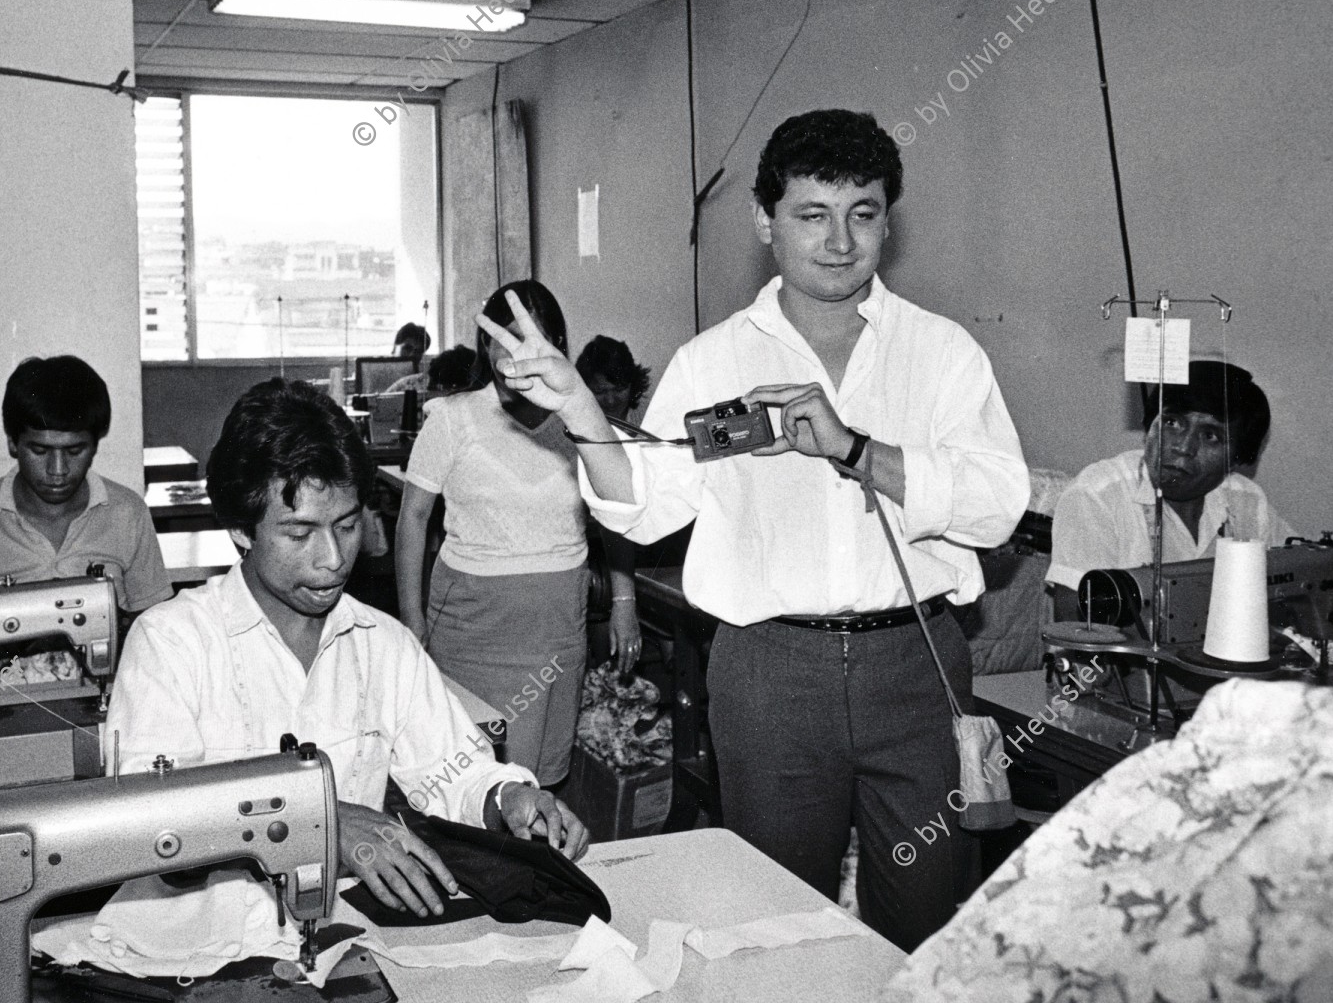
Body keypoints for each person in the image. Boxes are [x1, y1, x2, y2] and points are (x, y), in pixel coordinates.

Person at [480, 109, 1029, 951]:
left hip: (918, 668)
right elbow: (646, 502)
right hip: (772, 673)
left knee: (927, 921)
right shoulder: (714, 361)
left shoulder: (944, 353)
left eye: (865, 214)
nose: (841, 241)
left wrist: (853, 447)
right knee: (776, 922)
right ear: (766, 221)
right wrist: (581, 410)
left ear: (889, 220)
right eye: (814, 215)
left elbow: (997, 505)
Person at [102, 378, 584, 964]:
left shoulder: (383, 644)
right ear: (239, 528)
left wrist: (505, 797)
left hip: (335, 945)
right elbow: (152, 828)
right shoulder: (170, 643)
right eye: (300, 533)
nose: (332, 559)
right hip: (181, 954)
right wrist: (317, 818)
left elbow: (451, 770)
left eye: (348, 525)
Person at [394, 281, 591, 788]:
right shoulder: (453, 419)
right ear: (485, 345)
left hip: (558, 624)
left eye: (531, 342)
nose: (514, 356)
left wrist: (629, 603)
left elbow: (614, 509)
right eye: (502, 340)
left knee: (544, 777)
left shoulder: (578, 417)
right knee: (477, 778)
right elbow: (413, 518)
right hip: (476, 629)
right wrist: (412, 618)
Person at [0, 355, 171, 612]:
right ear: (13, 443)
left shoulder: (127, 513)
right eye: (39, 451)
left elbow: (154, 623)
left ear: (96, 445)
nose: (58, 471)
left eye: (75, 451)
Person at [1048, 359, 1293, 620]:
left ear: (1238, 459)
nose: (1183, 447)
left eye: (1210, 435)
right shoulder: (1098, 496)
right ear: (1149, 425)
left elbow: (1298, 580)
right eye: (1172, 423)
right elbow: (1076, 630)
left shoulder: (1247, 502)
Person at [574, 336, 654, 675]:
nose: (609, 400)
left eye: (617, 389)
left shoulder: (649, 421)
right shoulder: (579, 427)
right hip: (598, 545)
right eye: (599, 391)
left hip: (648, 540)